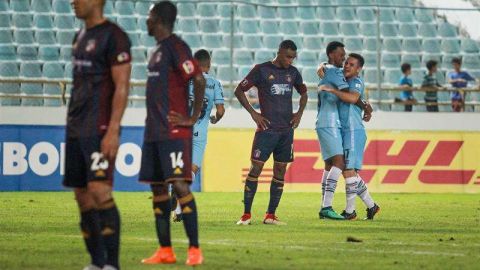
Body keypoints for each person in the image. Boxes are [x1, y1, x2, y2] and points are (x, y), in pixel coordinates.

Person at [63, 0, 131, 269]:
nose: (73, 2)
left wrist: (113, 129)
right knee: (82, 195)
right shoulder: (78, 37)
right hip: (76, 128)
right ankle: (96, 262)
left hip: (99, 127)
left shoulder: (114, 37)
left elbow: (122, 86)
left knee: (100, 190)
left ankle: (112, 265)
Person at [138, 1, 206, 266]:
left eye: (148, 15)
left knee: (179, 184)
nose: (146, 20)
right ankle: (165, 250)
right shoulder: (156, 51)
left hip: (174, 132)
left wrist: (192, 117)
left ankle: (194, 250)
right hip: (153, 131)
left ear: (158, 18)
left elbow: (198, 79)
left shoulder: (177, 47)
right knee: (158, 189)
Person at [235, 40, 308, 226]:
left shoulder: (293, 73)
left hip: (286, 131)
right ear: (279, 52)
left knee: (280, 171)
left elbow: (304, 93)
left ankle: (270, 215)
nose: (290, 60)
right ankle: (246, 215)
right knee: (256, 169)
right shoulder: (261, 70)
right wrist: (254, 113)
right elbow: (239, 90)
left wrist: (299, 114)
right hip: (266, 130)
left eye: (293, 57)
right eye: (287, 56)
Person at [319, 53, 379, 220]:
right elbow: (323, 68)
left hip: (353, 130)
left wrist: (332, 90)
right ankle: (371, 206)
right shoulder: (344, 80)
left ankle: (350, 211)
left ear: (358, 69)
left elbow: (353, 97)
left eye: (351, 65)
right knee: (348, 171)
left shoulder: (356, 82)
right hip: (344, 130)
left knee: (349, 170)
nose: (346, 66)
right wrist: (323, 66)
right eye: (346, 63)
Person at [172, 49, 225, 222]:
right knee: (192, 170)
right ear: (208, 65)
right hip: (199, 132)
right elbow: (220, 110)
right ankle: (179, 209)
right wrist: (215, 119)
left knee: (179, 168)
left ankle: (177, 205)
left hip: (181, 130)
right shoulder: (215, 83)